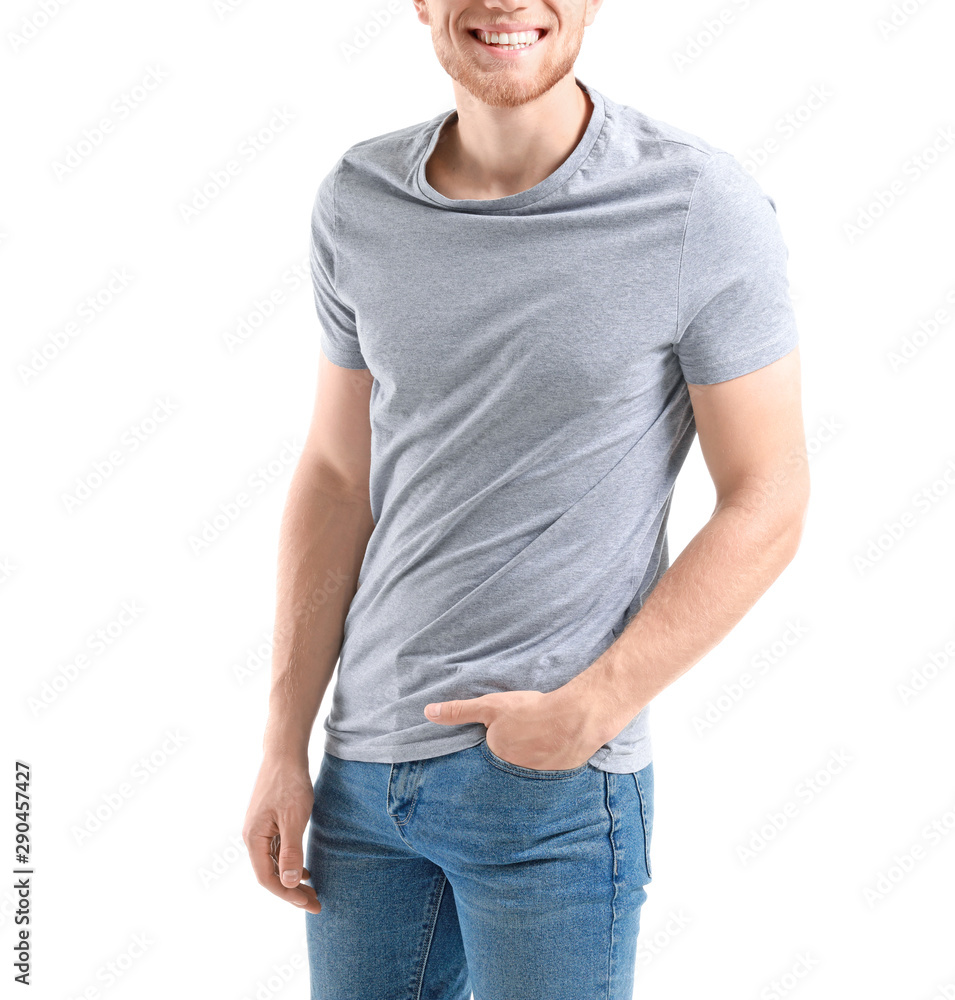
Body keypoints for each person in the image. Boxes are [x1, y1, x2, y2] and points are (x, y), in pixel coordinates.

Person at [242, 1, 810, 996]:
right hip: (361, 782)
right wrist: (283, 744)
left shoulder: (693, 203)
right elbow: (337, 477)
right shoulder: (357, 200)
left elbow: (769, 492)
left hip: (550, 790)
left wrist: (590, 708)